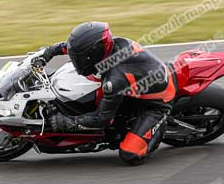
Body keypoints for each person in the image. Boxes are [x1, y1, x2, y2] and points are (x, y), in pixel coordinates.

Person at [33, 21, 176, 165]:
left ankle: (156, 131)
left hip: (157, 102)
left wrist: (70, 122)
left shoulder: (114, 80)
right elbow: (69, 48)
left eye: (81, 58)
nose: (77, 61)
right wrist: (46, 54)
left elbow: (102, 119)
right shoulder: (106, 48)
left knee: (130, 155)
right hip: (138, 81)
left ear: (94, 53)